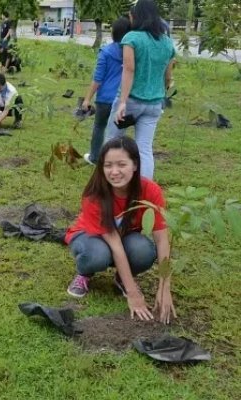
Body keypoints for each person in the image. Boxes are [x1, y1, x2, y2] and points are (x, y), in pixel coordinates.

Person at [65, 137, 175, 324]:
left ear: (134, 165)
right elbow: (115, 245)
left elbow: (162, 240)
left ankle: (122, 278)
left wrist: (165, 288)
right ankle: (84, 273)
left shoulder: (150, 191)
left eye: (121, 164)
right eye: (108, 165)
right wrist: (133, 294)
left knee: (144, 250)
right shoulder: (95, 194)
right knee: (98, 255)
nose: (114, 172)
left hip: (123, 236)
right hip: (88, 236)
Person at [104, 0, 176, 179]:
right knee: (144, 149)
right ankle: (144, 191)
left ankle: (107, 182)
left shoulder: (132, 38)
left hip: (131, 100)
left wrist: (122, 102)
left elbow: (129, 69)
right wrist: (164, 89)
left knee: (112, 142)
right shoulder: (167, 42)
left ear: (137, 16)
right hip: (154, 104)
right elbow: (168, 75)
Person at [80, 17, 131, 166]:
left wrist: (87, 99)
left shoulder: (106, 52)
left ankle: (95, 157)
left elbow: (98, 78)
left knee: (99, 127)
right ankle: (116, 160)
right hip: (122, 99)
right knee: (118, 132)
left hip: (104, 99)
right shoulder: (131, 52)